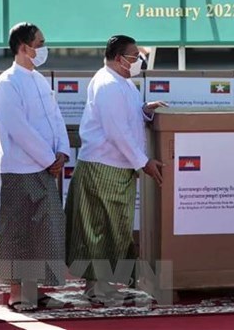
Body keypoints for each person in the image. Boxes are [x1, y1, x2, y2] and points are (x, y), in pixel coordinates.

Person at [65, 35, 165, 304]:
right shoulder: (108, 84)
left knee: (115, 230)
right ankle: (95, 287)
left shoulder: (123, 83)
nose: (139, 60)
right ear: (121, 59)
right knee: (98, 229)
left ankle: (104, 284)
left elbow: (126, 117)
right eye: (135, 56)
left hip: (116, 167)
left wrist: (144, 110)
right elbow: (117, 131)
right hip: (102, 167)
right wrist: (144, 162)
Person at [0, 23, 70, 311]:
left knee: (45, 231)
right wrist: (50, 159)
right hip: (20, 170)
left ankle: (34, 291)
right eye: (40, 42)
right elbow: (19, 130)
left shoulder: (38, 80)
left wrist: (62, 151)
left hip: (46, 168)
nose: (44, 47)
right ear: (24, 47)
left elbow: (55, 118)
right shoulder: (6, 83)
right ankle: (16, 293)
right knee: (18, 232)